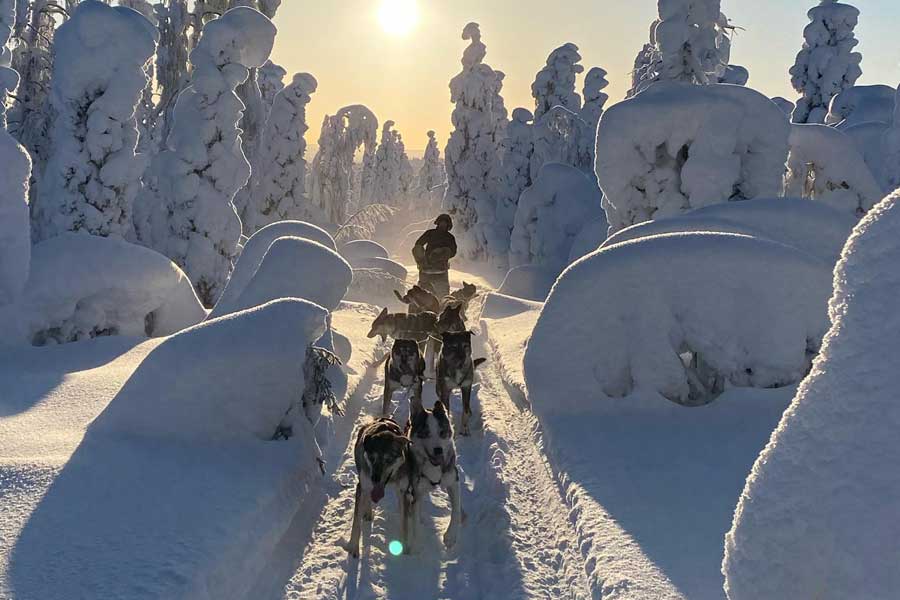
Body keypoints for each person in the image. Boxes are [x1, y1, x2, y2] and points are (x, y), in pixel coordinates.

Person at [412, 214, 457, 300]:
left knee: (442, 297)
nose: (443, 225)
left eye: (445, 223)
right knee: (423, 295)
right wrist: (421, 259)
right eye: (441, 222)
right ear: (438, 223)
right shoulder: (430, 233)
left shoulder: (450, 237)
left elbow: (453, 252)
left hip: (440, 269)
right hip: (426, 267)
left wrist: (441, 253)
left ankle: (441, 311)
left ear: (448, 225)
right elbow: (418, 244)